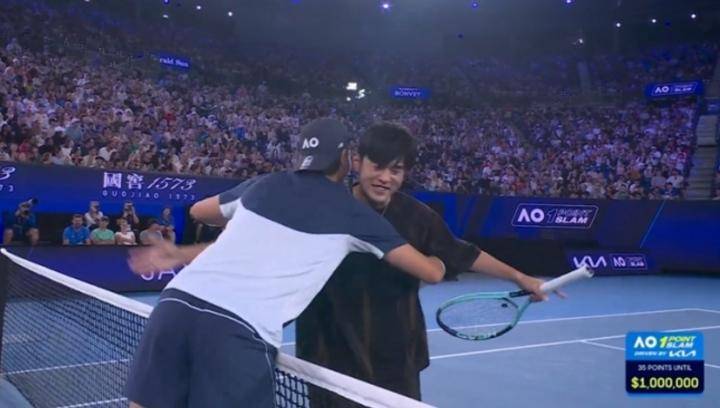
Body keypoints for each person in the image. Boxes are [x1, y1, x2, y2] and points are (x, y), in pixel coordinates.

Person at [124, 118, 447, 408]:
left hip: (174, 305)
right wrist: (440, 259)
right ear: (347, 159)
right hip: (238, 328)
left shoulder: (264, 184)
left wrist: (247, 225)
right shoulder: (354, 214)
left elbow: (199, 211)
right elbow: (431, 273)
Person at [296, 122, 554, 404]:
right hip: (332, 361)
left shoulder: (417, 217)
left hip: (396, 362)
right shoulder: (325, 210)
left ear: (405, 173)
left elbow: (464, 253)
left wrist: (520, 277)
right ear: (357, 162)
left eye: (395, 170)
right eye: (377, 167)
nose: (385, 178)